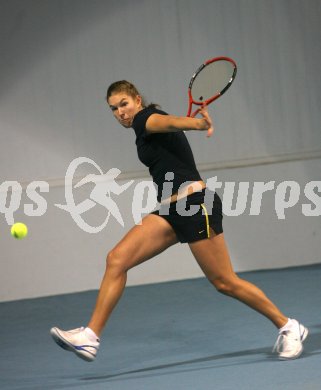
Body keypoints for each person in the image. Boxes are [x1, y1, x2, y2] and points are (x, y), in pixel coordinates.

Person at [50, 80, 308, 362]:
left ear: (137, 100)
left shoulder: (145, 118)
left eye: (124, 104)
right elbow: (168, 125)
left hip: (197, 205)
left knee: (224, 282)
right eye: (113, 109)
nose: (120, 112)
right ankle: (90, 337)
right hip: (171, 211)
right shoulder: (144, 126)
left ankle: (288, 326)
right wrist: (189, 124)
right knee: (117, 259)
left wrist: (196, 125)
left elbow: (169, 122)